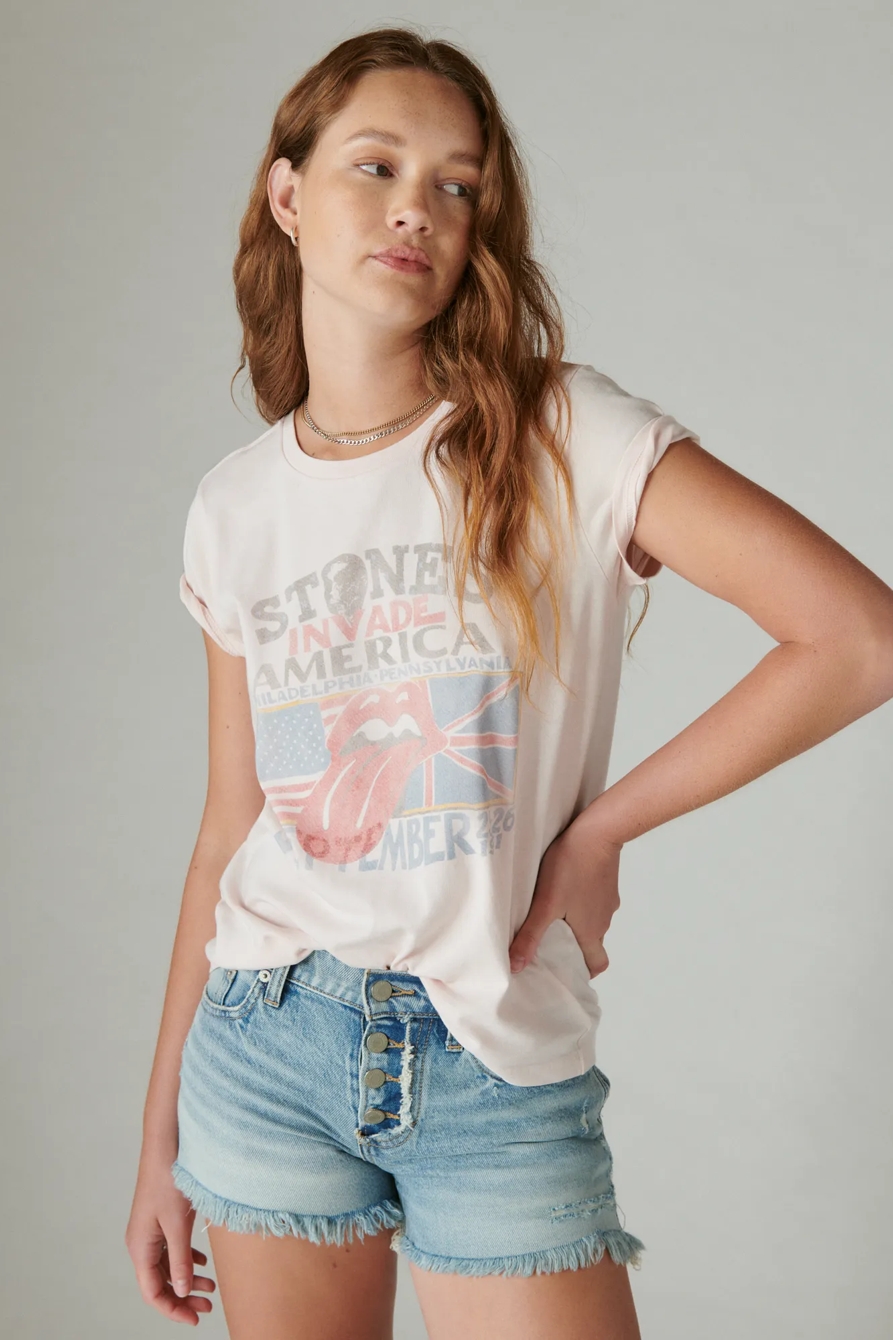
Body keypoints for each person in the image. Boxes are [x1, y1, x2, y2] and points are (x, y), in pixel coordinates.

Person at [124, 24, 893, 1340]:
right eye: (376, 165)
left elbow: (857, 638)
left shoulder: (562, 432)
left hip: (488, 1057)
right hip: (261, 1046)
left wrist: (602, 830)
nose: (416, 207)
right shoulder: (234, 508)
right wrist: (160, 1143)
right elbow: (227, 828)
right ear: (287, 193)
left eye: (457, 183)